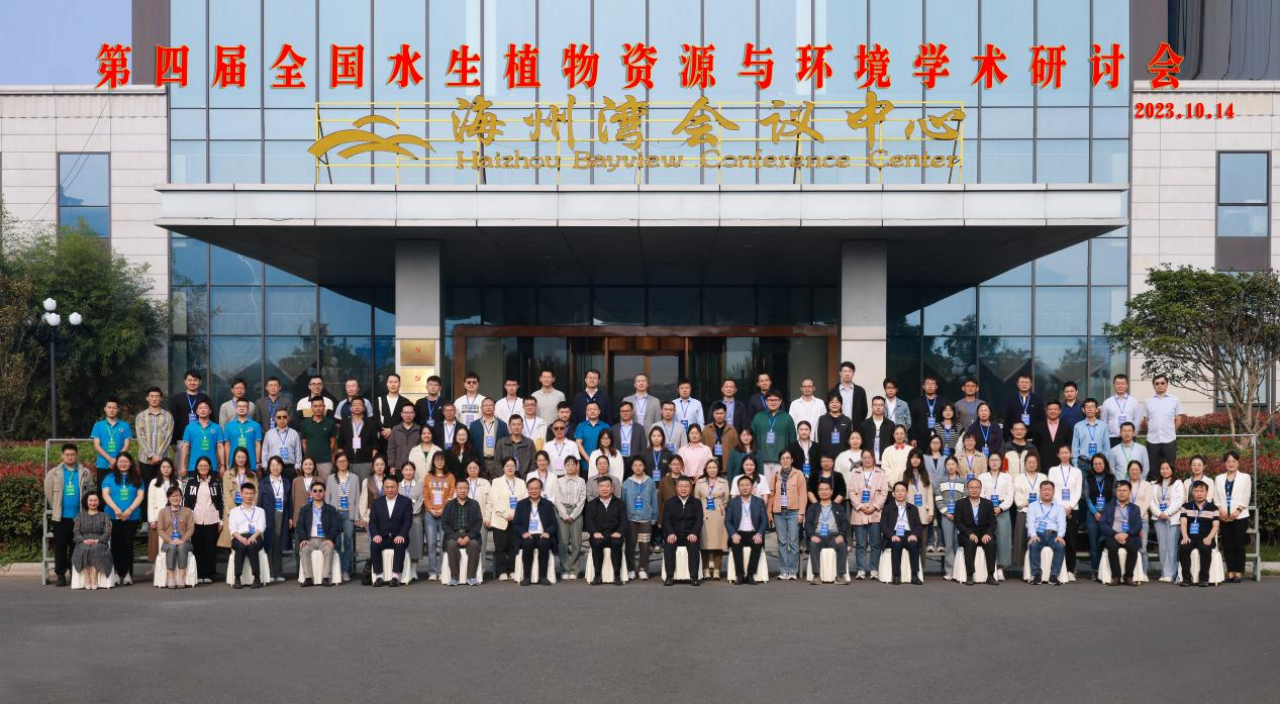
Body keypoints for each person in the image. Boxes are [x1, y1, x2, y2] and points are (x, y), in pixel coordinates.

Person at [44, 443, 95, 587]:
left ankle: (74, 574)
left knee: (76, 547)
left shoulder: (85, 473)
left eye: (73, 454)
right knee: (60, 548)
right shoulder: (54, 473)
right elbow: (48, 492)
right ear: (62, 455)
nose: (70, 457)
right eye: (67, 454)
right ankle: (60, 575)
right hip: (61, 518)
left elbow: (90, 491)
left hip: (79, 517)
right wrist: (56, 506)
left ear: (76, 455)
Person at [100, 452, 143, 585]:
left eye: (126, 461)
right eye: (120, 461)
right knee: (116, 545)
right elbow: (105, 494)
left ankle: (128, 574)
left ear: (130, 463)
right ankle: (117, 574)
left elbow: (140, 495)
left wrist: (129, 510)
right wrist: (116, 509)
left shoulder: (137, 478)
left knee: (128, 545)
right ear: (116, 463)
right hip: (113, 516)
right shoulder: (109, 477)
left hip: (132, 517)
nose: (123, 464)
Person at [802, 480, 850, 585]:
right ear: (818, 492)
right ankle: (816, 575)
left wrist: (841, 535)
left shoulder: (838, 507)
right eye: (821, 489)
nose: (824, 492)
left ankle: (840, 576)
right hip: (818, 536)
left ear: (831, 491)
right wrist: (812, 535)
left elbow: (845, 523)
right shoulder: (813, 507)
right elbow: (808, 524)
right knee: (813, 544)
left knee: (842, 545)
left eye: (826, 489)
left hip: (834, 536)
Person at [183, 457, 223, 583]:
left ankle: (210, 574)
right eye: (200, 465)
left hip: (212, 519)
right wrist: (187, 520)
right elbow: (186, 502)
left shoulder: (216, 482)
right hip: (196, 519)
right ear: (196, 467)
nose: (203, 468)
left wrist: (221, 520)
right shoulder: (191, 482)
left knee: (210, 548)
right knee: (198, 547)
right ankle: (199, 574)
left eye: (205, 465)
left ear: (210, 467)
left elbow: (220, 502)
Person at [769, 449, 807, 579]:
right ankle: (784, 570)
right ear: (780, 461)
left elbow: (803, 495)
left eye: (788, 458)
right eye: (783, 458)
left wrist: (801, 513)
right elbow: (771, 495)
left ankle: (792, 571)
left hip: (793, 512)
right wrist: (770, 513)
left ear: (792, 460)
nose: (785, 460)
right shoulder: (776, 475)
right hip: (779, 512)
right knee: (782, 542)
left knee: (793, 542)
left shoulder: (798, 474)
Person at [849, 449, 887, 580]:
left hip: (875, 513)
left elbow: (884, 493)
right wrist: (860, 506)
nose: (867, 460)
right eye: (864, 457)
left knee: (875, 544)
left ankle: (874, 570)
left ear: (873, 458)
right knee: (860, 544)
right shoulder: (855, 473)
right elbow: (851, 492)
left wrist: (874, 506)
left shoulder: (880, 473)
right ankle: (860, 570)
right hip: (859, 512)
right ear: (861, 459)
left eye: (869, 457)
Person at [514, 477, 560, 585]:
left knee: (544, 544)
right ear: (528, 489)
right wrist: (523, 533)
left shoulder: (548, 504)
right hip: (527, 534)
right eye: (531, 488)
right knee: (527, 544)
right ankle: (526, 577)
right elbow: (516, 524)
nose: (534, 491)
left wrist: (548, 532)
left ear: (541, 489)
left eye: (536, 488)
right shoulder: (521, 504)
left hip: (543, 534)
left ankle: (543, 576)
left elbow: (554, 524)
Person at [1215, 450, 1252, 583]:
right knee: (1227, 545)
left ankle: (1238, 572)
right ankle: (1230, 572)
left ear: (1238, 462)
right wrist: (1220, 510)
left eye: (1234, 461)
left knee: (1239, 545)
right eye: (1228, 461)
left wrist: (1237, 511)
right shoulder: (1219, 478)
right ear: (1225, 463)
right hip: (1224, 516)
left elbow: (1246, 496)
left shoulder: (1245, 477)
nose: (1231, 464)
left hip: (1240, 517)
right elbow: (1216, 497)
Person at [368, 477, 412, 587]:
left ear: (397, 487)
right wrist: (375, 534)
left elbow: (407, 521)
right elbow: (372, 521)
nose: (390, 490)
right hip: (382, 537)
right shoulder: (377, 502)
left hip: (398, 536)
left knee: (400, 544)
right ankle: (379, 576)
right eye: (387, 487)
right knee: (374, 545)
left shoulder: (406, 502)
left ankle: (395, 576)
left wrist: (402, 535)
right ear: (383, 488)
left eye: (392, 487)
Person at [489, 458, 528, 581]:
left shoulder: (521, 483)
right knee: (500, 546)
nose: (510, 468)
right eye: (507, 466)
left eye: (512, 465)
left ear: (516, 467)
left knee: (514, 546)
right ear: (503, 468)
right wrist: (506, 513)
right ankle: (501, 571)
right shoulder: (496, 482)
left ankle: (512, 570)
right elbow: (495, 500)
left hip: (516, 519)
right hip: (500, 518)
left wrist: (516, 514)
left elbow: (524, 499)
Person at [296, 480, 340, 587]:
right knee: (304, 549)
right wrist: (303, 539)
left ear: (324, 492)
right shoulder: (304, 509)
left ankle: (326, 578)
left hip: (325, 539)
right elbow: (300, 526)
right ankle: (308, 578)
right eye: (315, 491)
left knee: (329, 548)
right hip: (310, 539)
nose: (317, 493)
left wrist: (330, 539)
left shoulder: (331, 509)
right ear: (311, 493)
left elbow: (336, 527)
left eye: (320, 491)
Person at [584, 477, 627, 585]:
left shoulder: (620, 503)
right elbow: (588, 522)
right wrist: (594, 532)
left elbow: (624, 521)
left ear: (612, 488)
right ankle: (597, 575)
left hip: (614, 534)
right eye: (601, 486)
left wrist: (619, 532)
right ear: (598, 489)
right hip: (598, 534)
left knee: (617, 543)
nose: (604, 489)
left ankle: (617, 575)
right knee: (596, 544)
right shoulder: (591, 504)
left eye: (607, 486)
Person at [661, 477, 704, 586]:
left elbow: (699, 520)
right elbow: (666, 520)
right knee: (669, 544)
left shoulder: (696, 503)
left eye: (686, 486)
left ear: (691, 488)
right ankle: (669, 576)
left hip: (690, 534)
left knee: (693, 544)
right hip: (674, 534)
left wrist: (694, 533)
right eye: (680, 486)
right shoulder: (669, 503)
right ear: (676, 488)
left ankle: (694, 577)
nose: (683, 489)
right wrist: (670, 533)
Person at [955, 478, 998, 586]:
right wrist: (969, 533)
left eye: (977, 487)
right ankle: (970, 575)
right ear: (967, 489)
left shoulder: (988, 503)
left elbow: (993, 523)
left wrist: (988, 533)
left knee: (991, 542)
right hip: (966, 534)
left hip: (984, 533)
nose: (974, 490)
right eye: (971, 487)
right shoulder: (960, 503)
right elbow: (958, 523)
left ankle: (991, 575)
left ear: (980, 489)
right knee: (970, 542)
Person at [725, 475, 767, 585]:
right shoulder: (732, 502)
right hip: (738, 532)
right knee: (736, 544)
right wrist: (733, 534)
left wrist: (759, 533)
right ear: (738, 487)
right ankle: (739, 575)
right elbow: (727, 521)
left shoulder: (759, 502)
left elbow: (764, 520)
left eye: (747, 485)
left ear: (752, 487)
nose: (745, 487)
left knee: (757, 544)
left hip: (754, 532)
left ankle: (750, 575)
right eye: (742, 485)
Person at [325, 452, 360, 582]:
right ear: (336, 463)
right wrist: (327, 516)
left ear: (348, 462)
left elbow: (357, 497)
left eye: (344, 461)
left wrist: (356, 516)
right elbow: (327, 498)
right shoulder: (331, 478)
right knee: (337, 542)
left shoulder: (354, 478)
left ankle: (346, 570)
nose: (342, 463)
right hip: (335, 514)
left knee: (348, 542)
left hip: (348, 514)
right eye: (340, 461)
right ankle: (338, 569)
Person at [1048, 445, 1083, 575]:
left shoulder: (1077, 472)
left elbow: (1078, 492)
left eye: (1066, 452)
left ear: (1071, 454)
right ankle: (1057, 569)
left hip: (1073, 509)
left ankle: (1070, 570)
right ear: (1058, 455)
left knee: (1071, 540)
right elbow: (1051, 490)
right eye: (1062, 453)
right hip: (1057, 509)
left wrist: (1070, 507)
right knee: (1057, 539)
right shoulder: (1053, 471)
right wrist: (1062, 507)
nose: (1064, 455)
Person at [1101, 480, 1144, 586]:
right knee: (1112, 547)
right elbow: (1102, 524)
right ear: (1116, 492)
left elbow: (1138, 525)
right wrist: (1115, 534)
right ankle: (1116, 577)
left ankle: (1128, 577)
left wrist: (1127, 534)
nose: (1121, 492)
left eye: (1124, 490)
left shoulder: (1135, 508)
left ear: (1130, 492)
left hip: (1128, 535)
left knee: (1133, 547)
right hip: (1112, 535)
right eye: (1119, 490)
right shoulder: (1108, 507)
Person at [879, 482, 923, 585]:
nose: (900, 493)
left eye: (903, 491)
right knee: (897, 544)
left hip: (909, 534)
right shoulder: (887, 508)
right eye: (897, 491)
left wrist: (914, 535)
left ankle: (915, 575)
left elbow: (918, 525)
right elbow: (883, 526)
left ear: (906, 493)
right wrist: (892, 535)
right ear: (893, 493)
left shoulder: (913, 508)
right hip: (893, 534)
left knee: (914, 544)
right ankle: (896, 575)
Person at [1025, 480, 1068, 585]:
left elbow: (1062, 523)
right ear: (1040, 491)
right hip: (1038, 534)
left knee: (1060, 546)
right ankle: (1036, 575)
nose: (1047, 492)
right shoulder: (1033, 505)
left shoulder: (1059, 507)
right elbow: (1030, 522)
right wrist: (1033, 535)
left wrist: (1060, 536)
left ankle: (1054, 576)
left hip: (1053, 534)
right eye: (1044, 490)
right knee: (1034, 545)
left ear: (1053, 492)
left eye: (1049, 490)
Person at [442, 479, 483, 586]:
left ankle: (471, 577)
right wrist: (456, 537)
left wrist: (469, 536)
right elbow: (444, 524)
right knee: (451, 545)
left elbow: (478, 522)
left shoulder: (474, 504)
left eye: (465, 488)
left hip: (470, 535)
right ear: (456, 490)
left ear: (468, 490)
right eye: (460, 488)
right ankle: (454, 577)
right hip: (454, 535)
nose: (463, 490)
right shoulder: (449, 505)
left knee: (474, 545)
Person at [1179, 481, 1220, 587]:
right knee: (1183, 549)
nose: (1199, 493)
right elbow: (1183, 523)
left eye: (1202, 491)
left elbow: (1216, 525)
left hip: (1205, 537)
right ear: (1193, 492)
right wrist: (1185, 536)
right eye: (1196, 491)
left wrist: (1209, 538)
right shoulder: (1186, 506)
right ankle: (1186, 579)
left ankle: (1204, 579)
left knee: (1205, 550)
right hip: (1190, 537)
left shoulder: (1213, 508)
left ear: (1206, 492)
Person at [622, 456, 658, 580]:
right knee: (630, 546)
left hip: (645, 519)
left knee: (645, 546)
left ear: (644, 466)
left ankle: (643, 569)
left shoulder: (650, 482)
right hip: (630, 519)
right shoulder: (626, 483)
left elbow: (654, 500)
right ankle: (631, 569)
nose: (638, 468)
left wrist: (654, 517)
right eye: (635, 465)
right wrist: (624, 519)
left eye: (640, 465)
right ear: (632, 467)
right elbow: (623, 502)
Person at [978, 453, 1014, 577]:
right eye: (992, 460)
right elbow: (981, 493)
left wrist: (1000, 508)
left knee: (1003, 540)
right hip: (986, 510)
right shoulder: (982, 477)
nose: (994, 462)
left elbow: (1010, 496)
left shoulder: (1007, 477)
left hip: (1003, 510)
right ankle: (989, 566)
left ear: (1001, 462)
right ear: (988, 462)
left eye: (997, 460)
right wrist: (990, 508)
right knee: (988, 538)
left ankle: (1000, 568)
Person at [552, 455, 587, 580]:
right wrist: (564, 514)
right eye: (568, 464)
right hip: (562, 512)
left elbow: (582, 499)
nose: (571, 467)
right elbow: (557, 499)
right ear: (564, 466)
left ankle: (574, 569)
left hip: (576, 512)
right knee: (563, 543)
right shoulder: (559, 481)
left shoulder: (581, 481)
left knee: (577, 543)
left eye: (573, 464)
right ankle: (564, 569)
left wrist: (573, 515)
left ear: (577, 466)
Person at [694, 459, 729, 580]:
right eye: (709, 468)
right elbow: (696, 498)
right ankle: (706, 569)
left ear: (718, 469)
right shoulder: (700, 482)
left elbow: (726, 499)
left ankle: (717, 570)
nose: (712, 470)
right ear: (706, 469)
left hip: (719, 515)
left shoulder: (724, 482)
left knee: (719, 542)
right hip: (703, 515)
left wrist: (722, 507)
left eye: (714, 467)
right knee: (704, 542)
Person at [422, 452, 456, 580]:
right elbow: (425, 495)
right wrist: (431, 508)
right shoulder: (428, 477)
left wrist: (443, 509)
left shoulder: (450, 477)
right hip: (430, 514)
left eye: (442, 459)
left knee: (443, 543)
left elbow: (451, 495)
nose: (440, 462)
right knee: (431, 543)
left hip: (445, 515)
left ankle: (442, 570)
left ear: (445, 462)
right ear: (433, 461)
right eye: (437, 459)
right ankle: (432, 571)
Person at [1011, 454, 1048, 571]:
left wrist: (1037, 504)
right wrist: (1026, 503)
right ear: (1025, 464)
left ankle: (1038, 567)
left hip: (1040, 513)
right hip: (1023, 511)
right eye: (1029, 462)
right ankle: (1024, 569)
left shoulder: (1043, 477)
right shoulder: (1019, 478)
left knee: (1038, 539)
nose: (1031, 464)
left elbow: (1046, 493)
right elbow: (1018, 495)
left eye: (1034, 462)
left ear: (1037, 464)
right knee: (1022, 540)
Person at [1151, 460, 1185, 583]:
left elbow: (1179, 501)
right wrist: (1159, 513)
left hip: (1173, 519)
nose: (1165, 471)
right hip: (1158, 518)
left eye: (1167, 468)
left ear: (1172, 470)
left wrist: (1167, 513)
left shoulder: (1178, 483)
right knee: (1162, 547)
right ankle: (1164, 572)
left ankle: (1171, 573)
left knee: (1172, 547)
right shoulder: (1154, 484)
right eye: (1162, 468)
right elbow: (1151, 501)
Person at [933, 456, 967, 579]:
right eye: (948, 464)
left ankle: (960, 570)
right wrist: (946, 513)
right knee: (948, 544)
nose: (951, 466)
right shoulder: (941, 481)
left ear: (957, 466)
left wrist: (958, 514)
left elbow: (965, 498)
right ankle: (950, 570)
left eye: (953, 464)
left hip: (960, 517)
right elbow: (938, 499)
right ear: (945, 467)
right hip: (946, 516)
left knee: (959, 543)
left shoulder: (963, 481)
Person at [1143, 374, 1184, 473]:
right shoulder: (1148, 401)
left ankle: (1169, 484)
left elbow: (1178, 420)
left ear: (1167, 384)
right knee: (1153, 469)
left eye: (1162, 383)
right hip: (1152, 440)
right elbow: (1145, 420)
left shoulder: (1175, 400)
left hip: (1169, 440)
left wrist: (1171, 431)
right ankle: (1154, 483)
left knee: (1170, 468)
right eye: (1157, 383)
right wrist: (1153, 430)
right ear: (1153, 385)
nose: (1160, 385)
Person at [751, 390, 796, 481]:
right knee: (765, 488)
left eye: (776, 400)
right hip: (762, 461)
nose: (773, 402)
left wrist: (789, 458)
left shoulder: (787, 418)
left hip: (782, 460)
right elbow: (751, 439)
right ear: (766, 401)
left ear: (780, 401)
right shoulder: (758, 417)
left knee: (780, 487)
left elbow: (793, 440)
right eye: (770, 400)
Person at [1084, 454, 1117, 579]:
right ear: (1092, 465)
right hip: (1092, 516)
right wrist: (1095, 512)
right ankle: (1095, 569)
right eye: (1095, 464)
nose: (1098, 466)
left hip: (1108, 516)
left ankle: (1106, 570)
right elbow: (1087, 497)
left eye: (1100, 463)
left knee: (1105, 543)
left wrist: (1104, 514)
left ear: (1105, 464)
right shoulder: (1088, 478)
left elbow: (1114, 498)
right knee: (1093, 545)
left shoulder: (1112, 478)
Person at [228, 483, 266, 588]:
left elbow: (261, 527)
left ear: (254, 494)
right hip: (239, 537)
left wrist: (253, 537)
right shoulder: (234, 511)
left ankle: (257, 578)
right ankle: (237, 578)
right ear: (241, 494)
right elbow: (232, 529)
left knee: (252, 546)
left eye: (251, 493)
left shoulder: (260, 511)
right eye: (246, 493)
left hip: (255, 536)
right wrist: (241, 538)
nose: (249, 496)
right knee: (241, 546)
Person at [259, 456, 290, 582]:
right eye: (272, 465)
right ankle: (269, 573)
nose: (275, 467)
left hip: (282, 514)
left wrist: (290, 517)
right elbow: (259, 502)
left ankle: (278, 572)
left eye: (278, 465)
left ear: (282, 466)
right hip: (267, 515)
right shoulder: (263, 482)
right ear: (269, 467)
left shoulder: (286, 482)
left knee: (278, 543)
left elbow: (290, 502)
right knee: (268, 543)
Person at [134, 387, 174, 488]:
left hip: (163, 459)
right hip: (145, 459)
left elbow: (168, 437)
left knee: (162, 488)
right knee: (147, 488)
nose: (154, 399)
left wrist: (158, 456)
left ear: (160, 398)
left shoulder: (168, 416)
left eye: (157, 396)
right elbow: (140, 437)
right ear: (147, 398)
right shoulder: (140, 417)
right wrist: (152, 455)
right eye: (152, 396)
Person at [72, 492, 112, 589]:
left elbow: (107, 532)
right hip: (83, 540)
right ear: (86, 502)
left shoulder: (104, 516)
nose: (93, 503)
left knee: (96, 548)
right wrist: (83, 540)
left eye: (95, 500)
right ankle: (87, 575)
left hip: (99, 541)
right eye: (90, 500)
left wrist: (98, 540)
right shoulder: (80, 516)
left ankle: (94, 574)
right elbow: (76, 531)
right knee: (84, 548)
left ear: (99, 502)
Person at [155, 486, 193, 588]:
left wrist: (182, 540)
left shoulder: (187, 511)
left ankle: (181, 577)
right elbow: (160, 530)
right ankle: (170, 577)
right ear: (168, 498)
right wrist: (170, 540)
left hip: (185, 543)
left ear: (181, 497)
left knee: (181, 547)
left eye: (177, 495)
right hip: (168, 543)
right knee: (172, 547)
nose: (175, 498)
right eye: (172, 496)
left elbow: (191, 529)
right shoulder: (162, 512)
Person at [146, 458, 180, 567]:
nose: (166, 469)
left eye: (168, 467)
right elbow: (151, 502)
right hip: (158, 518)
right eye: (164, 467)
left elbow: (181, 501)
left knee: (173, 544)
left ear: (172, 469)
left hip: (174, 518)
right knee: (157, 546)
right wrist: (152, 520)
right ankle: (158, 570)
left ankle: (172, 567)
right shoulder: (154, 482)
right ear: (160, 468)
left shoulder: (178, 483)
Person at [1124, 459, 1154, 577]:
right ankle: (1130, 573)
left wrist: (1137, 516)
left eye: (1136, 469)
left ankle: (1144, 573)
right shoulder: (1124, 484)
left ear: (1141, 471)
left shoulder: (1147, 485)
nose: (1134, 472)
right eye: (1132, 469)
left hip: (1142, 520)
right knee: (1128, 546)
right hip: (1126, 520)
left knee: (1143, 548)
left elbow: (1147, 502)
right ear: (1128, 471)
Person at [338, 398, 378, 481]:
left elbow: (375, 445)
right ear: (350, 408)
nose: (357, 407)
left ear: (364, 408)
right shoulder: (344, 423)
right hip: (347, 462)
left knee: (364, 487)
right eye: (354, 405)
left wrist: (373, 462)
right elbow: (340, 444)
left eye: (359, 405)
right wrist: (341, 461)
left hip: (365, 462)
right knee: (349, 487)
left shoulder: (371, 424)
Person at [180, 399, 224, 476]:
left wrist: (222, 465)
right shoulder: (189, 427)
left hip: (212, 466)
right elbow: (185, 446)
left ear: (210, 411)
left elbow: (220, 447)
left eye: (205, 408)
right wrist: (183, 465)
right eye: (200, 408)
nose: (203, 410)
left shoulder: (217, 428)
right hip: (193, 466)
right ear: (197, 411)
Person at [169, 370, 213, 446]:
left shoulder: (205, 398)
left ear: (199, 382)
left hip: (202, 438)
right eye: (190, 380)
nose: (192, 383)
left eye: (195, 380)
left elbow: (211, 418)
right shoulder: (176, 399)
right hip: (181, 439)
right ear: (185, 382)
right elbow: (173, 420)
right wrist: (173, 440)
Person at [901, 450, 933, 553]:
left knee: (922, 544)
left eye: (917, 458)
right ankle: (910, 564)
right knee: (909, 543)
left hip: (923, 512)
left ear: (921, 460)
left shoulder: (926, 474)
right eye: (913, 457)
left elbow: (929, 495)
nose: (915, 460)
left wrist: (931, 512)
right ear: (909, 459)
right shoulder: (903, 474)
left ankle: (921, 564)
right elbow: (899, 494)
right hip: (908, 512)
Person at [1100, 374, 1144, 448]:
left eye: (1123, 384)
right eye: (1118, 384)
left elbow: (1137, 420)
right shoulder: (1107, 402)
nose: (1120, 386)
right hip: (1112, 438)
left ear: (1127, 385)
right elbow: (1103, 421)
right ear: (1114, 385)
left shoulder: (1134, 401)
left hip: (1130, 438)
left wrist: (1133, 433)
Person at [470, 398, 510, 477]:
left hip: (497, 462)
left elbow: (507, 445)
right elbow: (471, 444)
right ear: (481, 408)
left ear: (494, 407)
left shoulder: (502, 425)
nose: (488, 407)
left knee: (497, 483)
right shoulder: (474, 425)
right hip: (480, 461)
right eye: (486, 405)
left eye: (491, 405)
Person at [222, 398, 263, 473]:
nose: (241, 408)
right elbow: (227, 446)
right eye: (239, 406)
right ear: (235, 408)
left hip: (251, 463)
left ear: (248, 409)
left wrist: (257, 462)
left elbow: (257, 445)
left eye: (244, 406)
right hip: (233, 463)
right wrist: (227, 463)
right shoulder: (228, 426)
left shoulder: (256, 425)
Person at [300, 396, 337, 480]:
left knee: (325, 485)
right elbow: (304, 442)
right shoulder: (305, 423)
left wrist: (327, 453)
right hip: (309, 463)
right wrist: (308, 456)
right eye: (315, 406)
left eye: (320, 406)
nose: (318, 408)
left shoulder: (330, 423)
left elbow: (332, 442)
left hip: (325, 462)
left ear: (324, 407)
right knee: (310, 485)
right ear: (311, 407)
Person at [908, 375, 949, 448]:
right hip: (920, 440)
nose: (930, 386)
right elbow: (912, 421)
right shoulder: (916, 402)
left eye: (932, 383)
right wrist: (912, 438)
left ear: (936, 386)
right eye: (927, 383)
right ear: (923, 386)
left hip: (940, 439)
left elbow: (948, 420)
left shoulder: (944, 402)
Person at [1032, 399, 1073, 471]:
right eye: (1050, 409)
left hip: (1062, 465)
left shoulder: (1067, 427)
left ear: (1060, 411)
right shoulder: (1038, 427)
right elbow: (1035, 447)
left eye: (1055, 409)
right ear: (1046, 411)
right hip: (1043, 466)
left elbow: (1069, 446)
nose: (1053, 411)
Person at [262, 405, 302, 479]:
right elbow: (265, 451)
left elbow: (298, 451)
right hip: (273, 467)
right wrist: (265, 466)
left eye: (284, 417)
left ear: (288, 418)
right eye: (279, 417)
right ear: (275, 419)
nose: (282, 419)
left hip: (289, 468)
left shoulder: (294, 433)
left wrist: (297, 466)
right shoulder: (269, 434)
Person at [398, 461, 424, 568]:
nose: (408, 472)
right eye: (406, 470)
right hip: (400, 518)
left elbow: (420, 500)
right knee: (401, 541)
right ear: (402, 471)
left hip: (415, 516)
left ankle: (413, 568)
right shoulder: (398, 486)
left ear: (414, 471)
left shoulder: (419, 485)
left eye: (411, 470)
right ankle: (402, 567)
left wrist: (411, 512)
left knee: (415, 541)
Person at [385, 404, 421, 475]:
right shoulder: (395, 429)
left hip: (415, 467)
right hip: (399, 467)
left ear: (414, 414)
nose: (408, 415)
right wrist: (392, 465)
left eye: (411, 412)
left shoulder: (419, 430)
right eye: (405, 412)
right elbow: (391, 449)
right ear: (401, 414)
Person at [496, 415, 536, 479]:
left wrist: (528, 477)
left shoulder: (529, 443)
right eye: (513, 424)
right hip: (505, 479)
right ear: (509, 426)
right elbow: (497, 463)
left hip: (524, 479)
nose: (516, 427)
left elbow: (533, 463)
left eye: (519, 424)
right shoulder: (501, 443)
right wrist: (504, 477)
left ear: (522, 426)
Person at [1070, 398, 1104, 471]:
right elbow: (1075, 446)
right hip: (1083, 463)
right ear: (1083, 410)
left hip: (1099, 462)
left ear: (1096, 409)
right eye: (1087, 407)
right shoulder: (1078, 426)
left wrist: (1105, 462)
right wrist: (1075, 464)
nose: (1090, 409)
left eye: (1092, 407)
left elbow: (1106, 446)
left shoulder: (1103, 425)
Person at [816, 395, 852, 460]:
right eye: (831, 402)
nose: (834, 404)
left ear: (841, 404)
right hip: (826, 457)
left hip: (843, 456)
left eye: (837, 402)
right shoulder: (822, 419)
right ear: (828, 404)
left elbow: (849, 440)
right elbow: (819, 438)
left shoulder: (847, 420)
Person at [859, 397, 893, 464]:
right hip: (868, 461)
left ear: (884, 407)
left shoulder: (890, 424)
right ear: (871, 406)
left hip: (886, 461)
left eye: (881, 405)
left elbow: (892, 443)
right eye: (875, 405)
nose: (878, 407)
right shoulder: (864, 424)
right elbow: (861, 444)